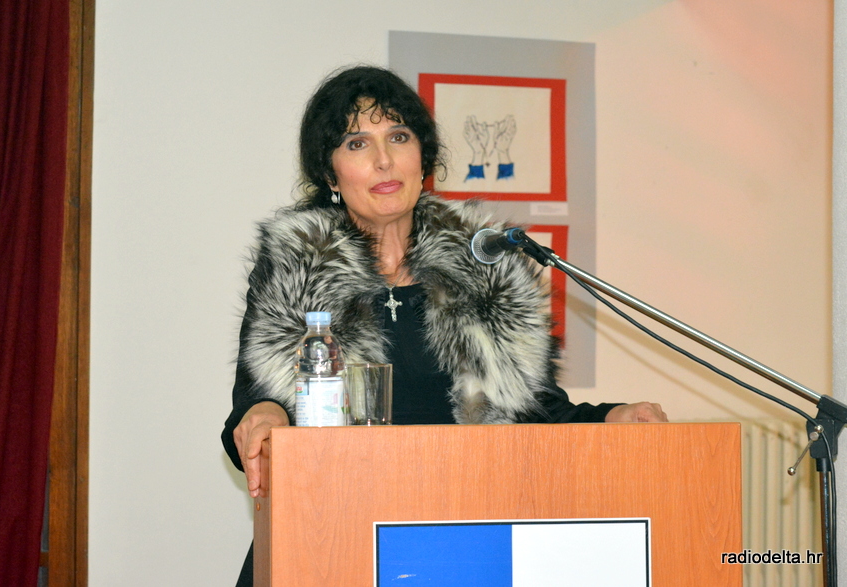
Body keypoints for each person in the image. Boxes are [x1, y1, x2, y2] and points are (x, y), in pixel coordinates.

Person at [221, 65, 667, 587]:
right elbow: (252, 409)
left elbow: (534, 411)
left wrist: (611, 418)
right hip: (329, 532)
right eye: (357, 143)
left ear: (423, 157)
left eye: (399, 137)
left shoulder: (487, 266)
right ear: (330, 174)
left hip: (458, 539)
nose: (384, 160)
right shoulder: (294, 269)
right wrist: (265, 417)